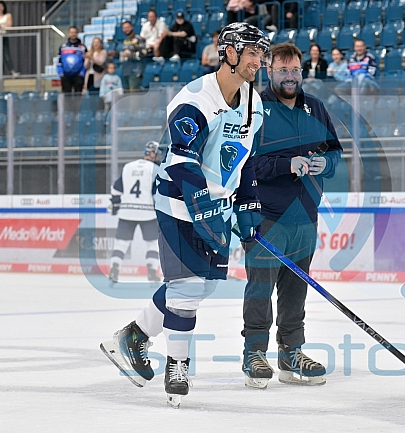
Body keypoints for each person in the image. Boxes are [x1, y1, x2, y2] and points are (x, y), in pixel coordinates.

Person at [100, 22, 270, 408]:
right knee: (188, 288)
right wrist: (203, 205)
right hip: (179, 203)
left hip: (217, 206)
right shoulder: (194, 99)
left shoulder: (253, 102)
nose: (259, 60)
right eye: (252, 52)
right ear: (229, 53)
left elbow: (246, 160)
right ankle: (177, 367)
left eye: (262, 52)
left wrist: (247, 204)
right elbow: (182, 161)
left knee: (204, 284)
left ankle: (134, 335)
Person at [241, 42, 343, 389]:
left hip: (305, 216)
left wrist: (324, 162)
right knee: (260, 287)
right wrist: (286, 164)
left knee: (295, 289)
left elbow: (335, 153)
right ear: (269, 71)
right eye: (283, 70)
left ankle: (291, 354)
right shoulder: (254, 107)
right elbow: (244, 162)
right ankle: (254, 353)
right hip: (266, 215)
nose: (290, 76)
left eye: (295, 70)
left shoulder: (314, 107)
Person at [108, 141, 163, 284]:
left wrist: (115, 203)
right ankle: (152, 272)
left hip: (127, 211)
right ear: (152, 153)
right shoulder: (155, 169)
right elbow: (157, 194)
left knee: (121, 243)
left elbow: (116, 188)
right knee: (152, 243)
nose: (159, 156)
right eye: (157, 153)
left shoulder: (128, 166)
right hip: (147, 212)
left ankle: (115, 268)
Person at [111, 20, 146, 90]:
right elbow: (124, 55)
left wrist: (131, 55)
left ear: (132, 27)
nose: (126, 29)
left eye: (128, 27)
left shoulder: (138, 39)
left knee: (133, 95)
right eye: (124, 28)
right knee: (127, 95)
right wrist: (116, 54)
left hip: (135, 70)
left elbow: (143, 54)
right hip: (125, 70)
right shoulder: (125, 40)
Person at [0, 1, 17, 76]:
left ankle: (12, 71)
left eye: (2, 6)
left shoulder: (7, 15)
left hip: (4, 36)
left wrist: (1, 27)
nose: (0, 8)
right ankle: (1, 73)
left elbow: (9, 27)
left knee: (6, 55)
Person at [57, 26, 87, 94]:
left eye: (75, 32)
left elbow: (86, 61)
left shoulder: (82, 47)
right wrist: (61, 73)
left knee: (78, 96)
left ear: (77, 33)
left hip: (78, 76)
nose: (73, 34)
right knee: (67, 97)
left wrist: (82, 73)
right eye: (71, 32)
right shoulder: (63, 46)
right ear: (68, 33)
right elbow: (59, 61)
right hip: (66, 76)